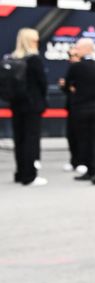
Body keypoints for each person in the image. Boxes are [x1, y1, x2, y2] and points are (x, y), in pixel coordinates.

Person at [8, 28, 47, 186]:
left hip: (16, 105)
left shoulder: (12, 59)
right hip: (32, 106)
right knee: (31, 140)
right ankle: (29, 176)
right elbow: (42, 83)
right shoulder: (34, 60)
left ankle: (20, 172)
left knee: (19, 139)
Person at [62, 37, 95, 183]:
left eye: (78, 48)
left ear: (87, 49)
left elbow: (67, 85)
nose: (76, 51)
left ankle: (89, 169)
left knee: (84, 141)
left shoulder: (76, 67)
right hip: (94, 108)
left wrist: (71, 88)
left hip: (79, 109)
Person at [59, 45, 81, 173]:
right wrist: (66, 87)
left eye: (74, 56)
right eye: (70, 56)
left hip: (84, 108)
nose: (71, 59)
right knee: (71, 135)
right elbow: (68, 88)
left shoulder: (87, 68)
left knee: (82, 137)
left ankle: (83, 162)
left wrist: (74, 88)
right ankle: (75, 161)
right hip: (72, 108)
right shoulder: (71, 69)